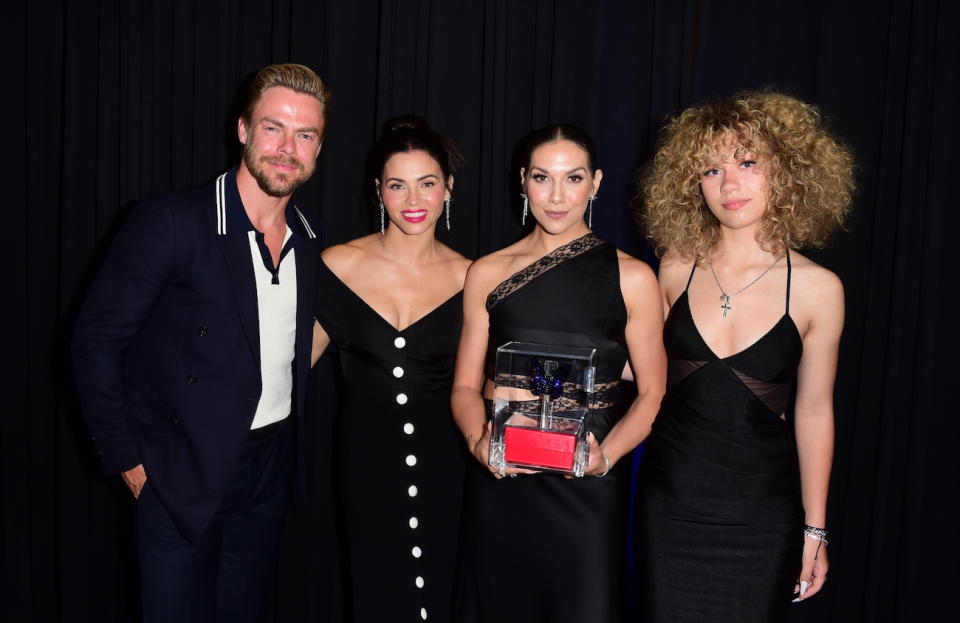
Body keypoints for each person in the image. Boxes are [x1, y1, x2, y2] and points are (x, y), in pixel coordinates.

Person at [72, 63, 328, 622]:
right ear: (242, 129)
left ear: (318, 147)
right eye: (273, 128)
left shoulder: (310, 241)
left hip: (269, 470)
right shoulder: (171, 222)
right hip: (179, 469)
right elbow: (95, 342)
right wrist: (128, 460)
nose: (288, 148)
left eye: (304, 134)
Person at [633, 90, 854, 621]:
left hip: (763, 515)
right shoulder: (671, 268)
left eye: (748, 162)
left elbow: (814, 410)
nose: (730, 184)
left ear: (787, 170)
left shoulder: (818, 288)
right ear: (690, 183)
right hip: (671, 507)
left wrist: (815, 528)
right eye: (710, 169)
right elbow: (643, 376)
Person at [451, 124, 666, 622]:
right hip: (503, 482)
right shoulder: (487, 271)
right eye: (543, 178)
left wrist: (605, 458)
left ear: (596, 183)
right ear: (522, 181)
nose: (556, 196)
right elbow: (463, 386)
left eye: (573, 179)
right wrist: (478, 442)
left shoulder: (632, 276)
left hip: (587, 490)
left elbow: (654, 393)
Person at [310, 116, 471, 623]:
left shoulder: (475, 277)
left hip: (451, 469)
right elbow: (284, 370)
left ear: (448, 187)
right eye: (397, 185)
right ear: (378, 191)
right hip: (365, 469)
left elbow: (495, 380)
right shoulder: (337, 266)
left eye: (427, 183)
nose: (413, 199)